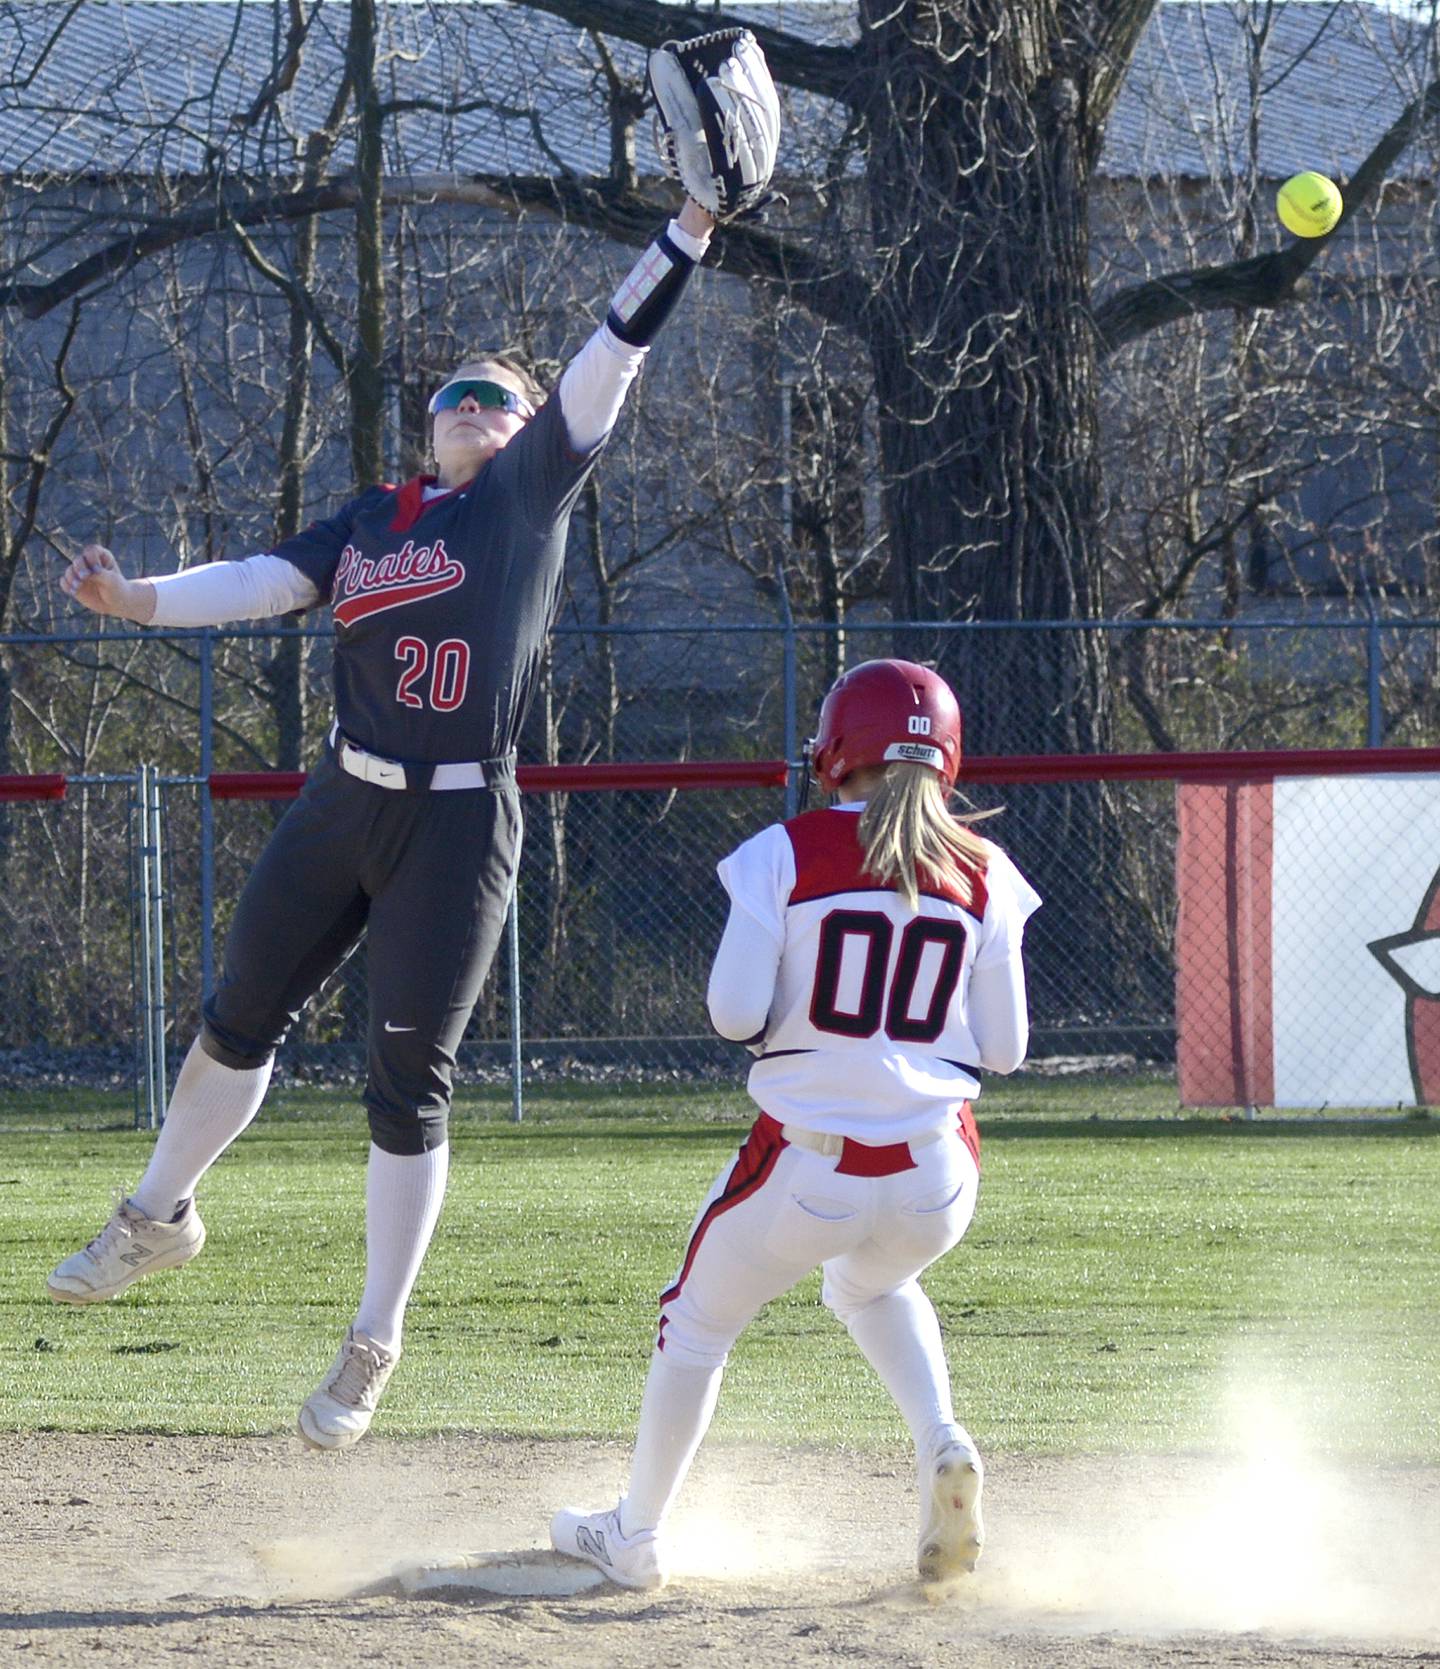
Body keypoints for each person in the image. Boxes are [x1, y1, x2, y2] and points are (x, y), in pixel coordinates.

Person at [46, 187, 726, 1450]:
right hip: (346, 792)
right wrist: (138, 599)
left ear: (528, 430)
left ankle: (374, 1341)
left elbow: (612, 355)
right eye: (456, 398)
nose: (474, 409)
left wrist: (685, 230)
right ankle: (158, 1217)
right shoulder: (372, 516)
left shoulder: (527, 496)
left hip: (461, 825)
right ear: (427, 430)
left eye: (497, 399)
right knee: (234, 1015)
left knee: (406, 1087)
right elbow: (264, 581)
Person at [550, 659, 1042, 1589]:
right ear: (949, 759)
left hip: (806, 1168)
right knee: (867, 1286)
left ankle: (635, 1535)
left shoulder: (787, 850)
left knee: (693, 1322)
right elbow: (1007, 1048)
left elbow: (734, 1014)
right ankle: (943, 1439)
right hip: (938, 1174)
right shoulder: (987, 870)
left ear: (834, 749)